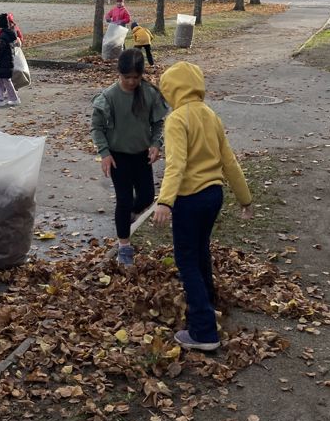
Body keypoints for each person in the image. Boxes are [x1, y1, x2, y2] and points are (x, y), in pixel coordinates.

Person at [153, 61, 253, 352]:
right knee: (200, 251)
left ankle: (203, 331)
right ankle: (208, 304)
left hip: (190, 199)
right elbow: (229, 162)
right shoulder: (210, 115)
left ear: (171, 90)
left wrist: (165, 201)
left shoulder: (177, 119)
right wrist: (245, 199)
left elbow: (176, 165)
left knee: (186, 261)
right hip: (213, 196)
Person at [91, 48, 168, 266]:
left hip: (142, 156)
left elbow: (158, 123)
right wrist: (104, 153)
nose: (132, 82)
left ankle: (130, 215)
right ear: (119, 74)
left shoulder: (149, 93)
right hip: (119, 158)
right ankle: (124, 246)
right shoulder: (109, 97)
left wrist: (155, 144)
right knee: (123, 200)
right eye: (127, 77)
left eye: (136, 77)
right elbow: (96, 128)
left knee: (146, 196)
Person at [0, 12, 20, 107]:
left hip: (3, 61)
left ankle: (4, 98)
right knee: (2, 79)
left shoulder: (3, 36)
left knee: (4, 80)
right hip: (7, 60)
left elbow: (0, 51)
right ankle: (3, 98)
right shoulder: (10, 33)